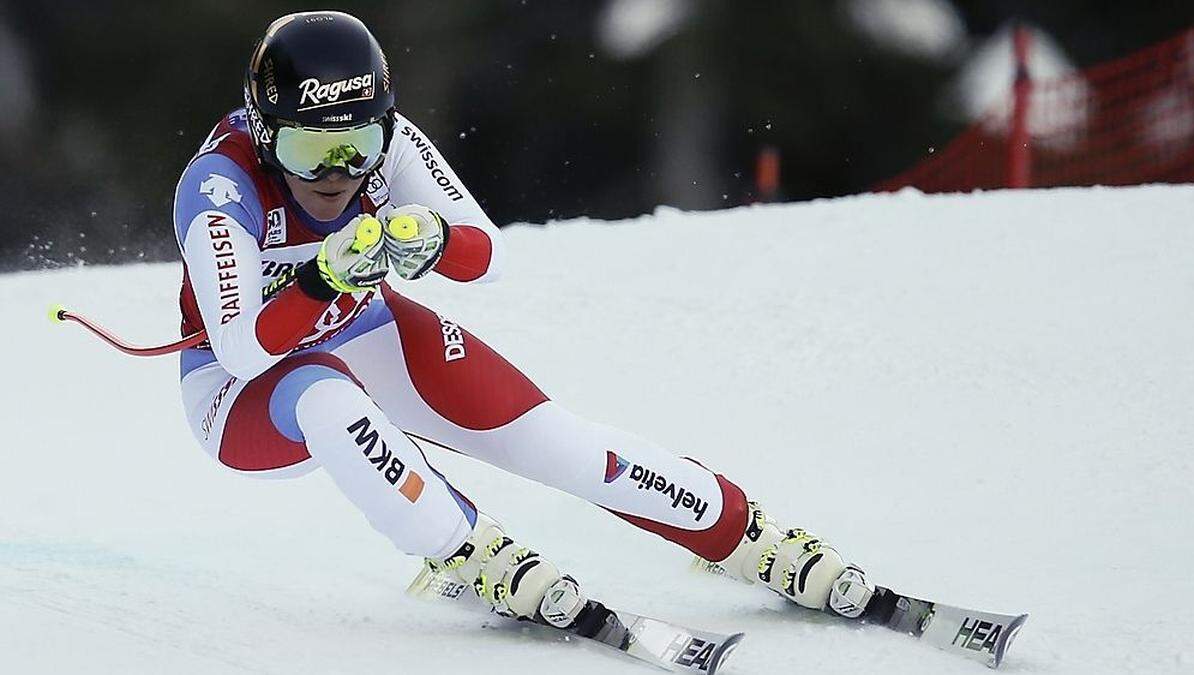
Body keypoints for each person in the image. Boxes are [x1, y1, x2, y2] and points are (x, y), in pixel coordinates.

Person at [175, 10, 874, 628]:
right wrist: (323, 276)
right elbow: (240, 347)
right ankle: (463, 549)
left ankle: (745, 533)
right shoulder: (218, 186)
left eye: (354, 146)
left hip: (363, 331)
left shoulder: (388, 144)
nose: (335, 173)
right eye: (307, 150)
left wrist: (439, 243)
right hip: (245, 394)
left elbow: (489, 254)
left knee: (554, 440)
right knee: (326, 395)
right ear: (266, 136)